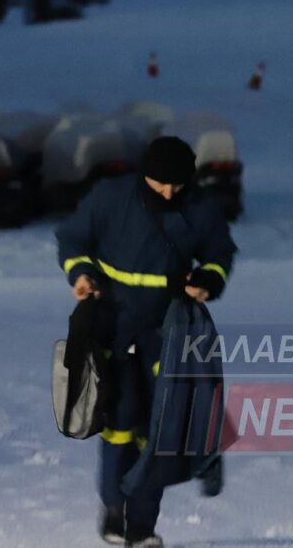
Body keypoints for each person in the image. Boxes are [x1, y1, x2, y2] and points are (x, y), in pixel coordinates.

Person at [56, 136, 237, 547]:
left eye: (178, 185)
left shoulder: (199, 208)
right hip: (113, 326)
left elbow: (220, 252)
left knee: (160, 430)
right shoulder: (110, 197)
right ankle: (113, 509)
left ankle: (142, 528)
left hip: (167, 330)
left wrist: (210, 278)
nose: (171, 192)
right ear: (145, 176)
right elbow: (71, 238)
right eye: (162, 184)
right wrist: (81, 274)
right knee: (119, 422)